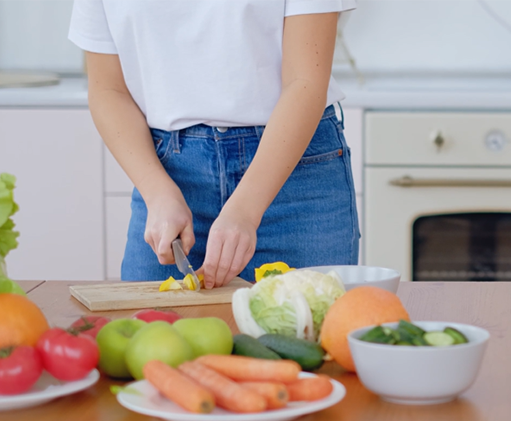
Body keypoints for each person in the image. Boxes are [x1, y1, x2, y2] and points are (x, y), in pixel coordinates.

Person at [69, 0, 360, 289]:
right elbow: (108, 89)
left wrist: (246, 210)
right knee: (150, 331)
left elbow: (305, 81)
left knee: (311, 332)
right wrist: (158, 194)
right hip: (167, 178)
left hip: (293, 177)